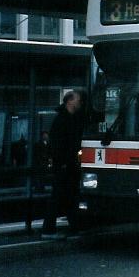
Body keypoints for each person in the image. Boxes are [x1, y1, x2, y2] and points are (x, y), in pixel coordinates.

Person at [42, 90, 85, 238]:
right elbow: (59, 146)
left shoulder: (66, 119)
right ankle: (50, 230)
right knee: (63, 196)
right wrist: (64, 163)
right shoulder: (63, 120)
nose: (80, 102)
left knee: (67, 196)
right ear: (70, 102)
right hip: (65, 166)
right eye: (78, 100)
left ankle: (71, 228)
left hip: (67, 165)